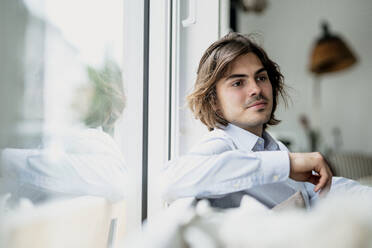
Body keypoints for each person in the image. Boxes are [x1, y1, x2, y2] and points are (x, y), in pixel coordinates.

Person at [162, 32, 372, 209]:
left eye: (261, 78)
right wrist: (287, 164)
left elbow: (312, 193)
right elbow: (169, 181)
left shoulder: (270, 146)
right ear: (214, 101)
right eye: (238, 83)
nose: (256, 89)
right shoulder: (221, 143)